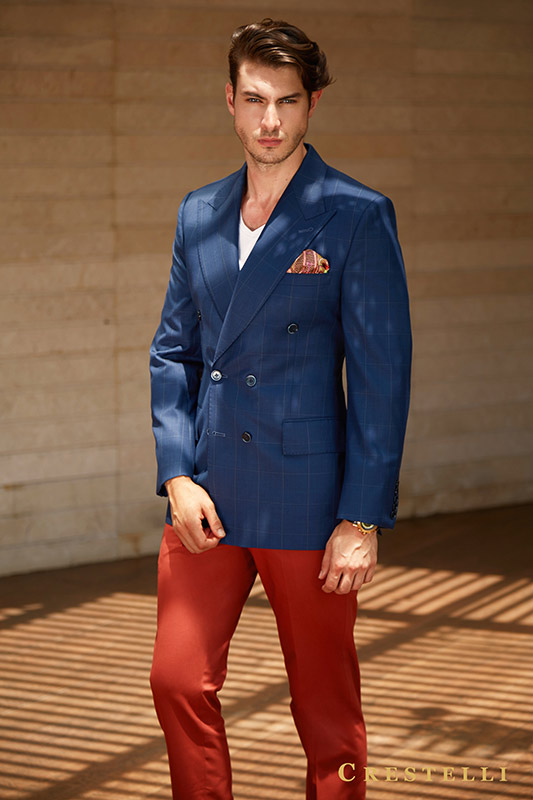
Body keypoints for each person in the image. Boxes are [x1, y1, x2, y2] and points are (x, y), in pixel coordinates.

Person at [149, 18, 412, 800]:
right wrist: (176, 475)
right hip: (208, 494)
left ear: (312, 104)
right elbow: (172, 353)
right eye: (254, 100)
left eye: (287, 102)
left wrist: (360, 518)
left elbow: (381, 378)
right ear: (229, 101)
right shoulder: (197, 212)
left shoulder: (354, 213)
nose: (269, 120)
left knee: (324, 710)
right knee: (176, 679)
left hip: (308, 500)